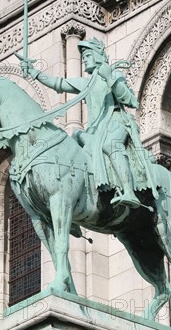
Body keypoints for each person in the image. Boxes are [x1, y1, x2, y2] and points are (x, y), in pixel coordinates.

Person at [21, 37, 141, 208]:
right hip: (95, 129)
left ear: (98, 55)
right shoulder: (87, 83)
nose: (84, 59)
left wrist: (109, 78)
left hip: (116, 122)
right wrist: (34, 72)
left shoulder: (114, 74)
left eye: (87, 55)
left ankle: (129, 191)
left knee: (111, 145)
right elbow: (59, 83)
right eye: (83, 56)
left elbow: (130, 100)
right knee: (73, 139)